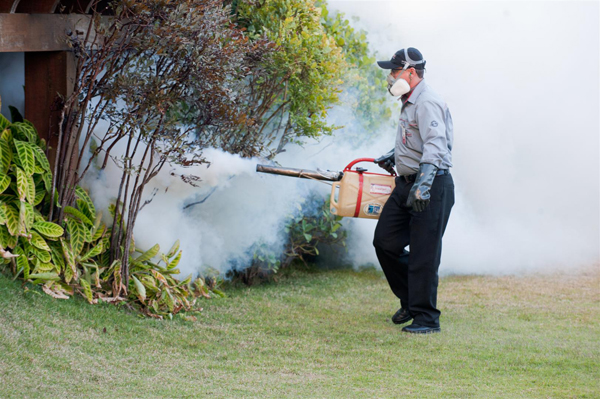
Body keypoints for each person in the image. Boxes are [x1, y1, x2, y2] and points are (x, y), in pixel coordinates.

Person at [373, 47, 455, 334]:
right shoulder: (409, 101)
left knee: (424, 253)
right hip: (406, 184)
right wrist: (393, 156)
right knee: (385, 242)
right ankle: (411, 299)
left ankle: (426, 319)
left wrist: (423, 185)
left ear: (410, 72)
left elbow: (436, 145)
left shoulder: (427, 101)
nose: (390, 76)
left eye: (394, 71)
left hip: (430, 186)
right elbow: (415, 141)